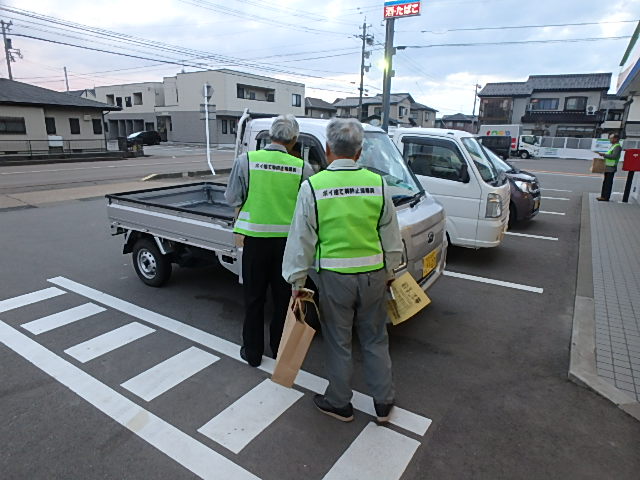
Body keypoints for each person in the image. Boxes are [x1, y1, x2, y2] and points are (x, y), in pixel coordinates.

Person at [282, 118, 403, 423]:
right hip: (374, 274)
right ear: (360, 152)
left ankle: (339, 402)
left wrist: (297, 279)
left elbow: (301, 238)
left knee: (339, 341)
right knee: (375, 338)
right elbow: (390, 232)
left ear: (328, 149)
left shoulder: (314, 186)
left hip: (334, 277)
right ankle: (383, 403)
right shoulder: (378, 183)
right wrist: (391, 269)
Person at [225, 114, 313, 367]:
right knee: (283, 300)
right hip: (286, 245)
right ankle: (278, 349)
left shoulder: (246, 161)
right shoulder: (302, 168)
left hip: (254, 241)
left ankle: (252, 352)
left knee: (254, 298)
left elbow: (232, 198)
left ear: (270, 136)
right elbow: (307, 209)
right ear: (294, 140)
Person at [596, 133, 622, 201]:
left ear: (616, 139)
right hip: (608, 167)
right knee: (605, 182)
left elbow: (614, 156)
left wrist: (604, 155)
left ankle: (605, 197)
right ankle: (603, 196)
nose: (610, 139)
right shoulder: (613, 146)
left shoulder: (617, 146)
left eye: (611, 138)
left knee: (608, 183)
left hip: (611, 167)